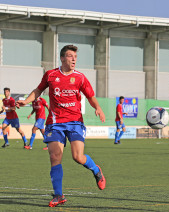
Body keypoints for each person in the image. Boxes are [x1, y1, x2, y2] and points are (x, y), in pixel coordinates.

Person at [16, 45, 106, 207]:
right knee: (54, 157)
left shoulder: (80, 77)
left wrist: (98, 108)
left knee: (78, 157)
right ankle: (59, 195)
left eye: (75, 57)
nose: (74, 59)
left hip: (75, 122)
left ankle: (96, 170)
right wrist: (26, 101)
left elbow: (90, 96)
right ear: (62, 58)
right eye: (70, 56)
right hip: (55, 123)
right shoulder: (51, 75)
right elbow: (38, 90)